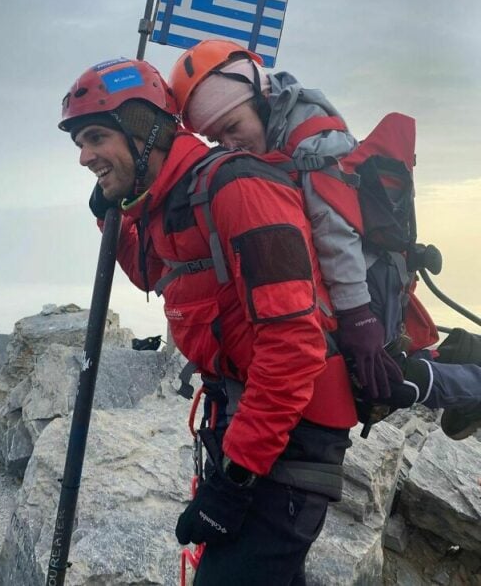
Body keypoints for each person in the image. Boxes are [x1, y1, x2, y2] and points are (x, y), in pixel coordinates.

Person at [59, 57, 358, 585]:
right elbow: (159, 276)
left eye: (97, 137)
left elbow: (294, 345)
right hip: (247, 422)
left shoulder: (238, 188)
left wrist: (236, 478)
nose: (84, 157)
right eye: (80, 143)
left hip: (293, 438)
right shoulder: (171, 203)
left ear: (144, 129)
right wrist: (113, 218)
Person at [167, 39, 481, 440]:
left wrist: (358, 318)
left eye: (233, 127)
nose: (229, 145)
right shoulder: (281, 136)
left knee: (387, 384)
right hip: (343, 287)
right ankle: (459, 363)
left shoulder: (312, 141)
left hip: (361, 289)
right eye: (216, 138)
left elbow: (335, 231)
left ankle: (470, 383)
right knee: (379, 378)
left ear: (262, 100)